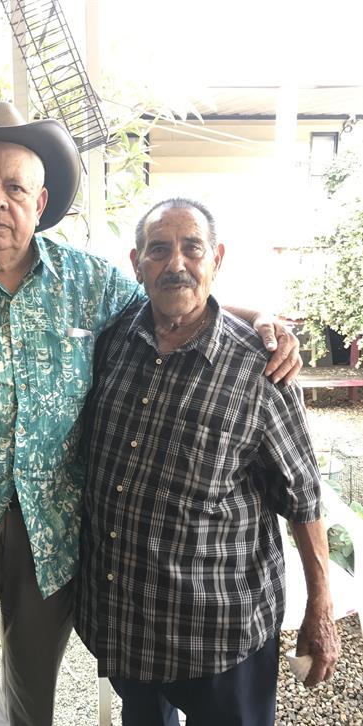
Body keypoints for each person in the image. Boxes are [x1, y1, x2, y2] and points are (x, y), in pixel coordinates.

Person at [0, 103, 300, 726]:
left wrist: (260, 318)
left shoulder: (87, 281)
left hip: (50, 529)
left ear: (41, 201)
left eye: (14, 188)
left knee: (35, 696)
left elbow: (175, 296)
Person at [74, 197, 340, 726]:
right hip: (127, 625)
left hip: (220, 634)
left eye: (192, 248)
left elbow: (304, 497)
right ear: (137, 264)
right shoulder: (112, 340)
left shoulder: (261, 370)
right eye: (159, 250)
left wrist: (321, 608)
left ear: (216, 258)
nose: (176, 263)